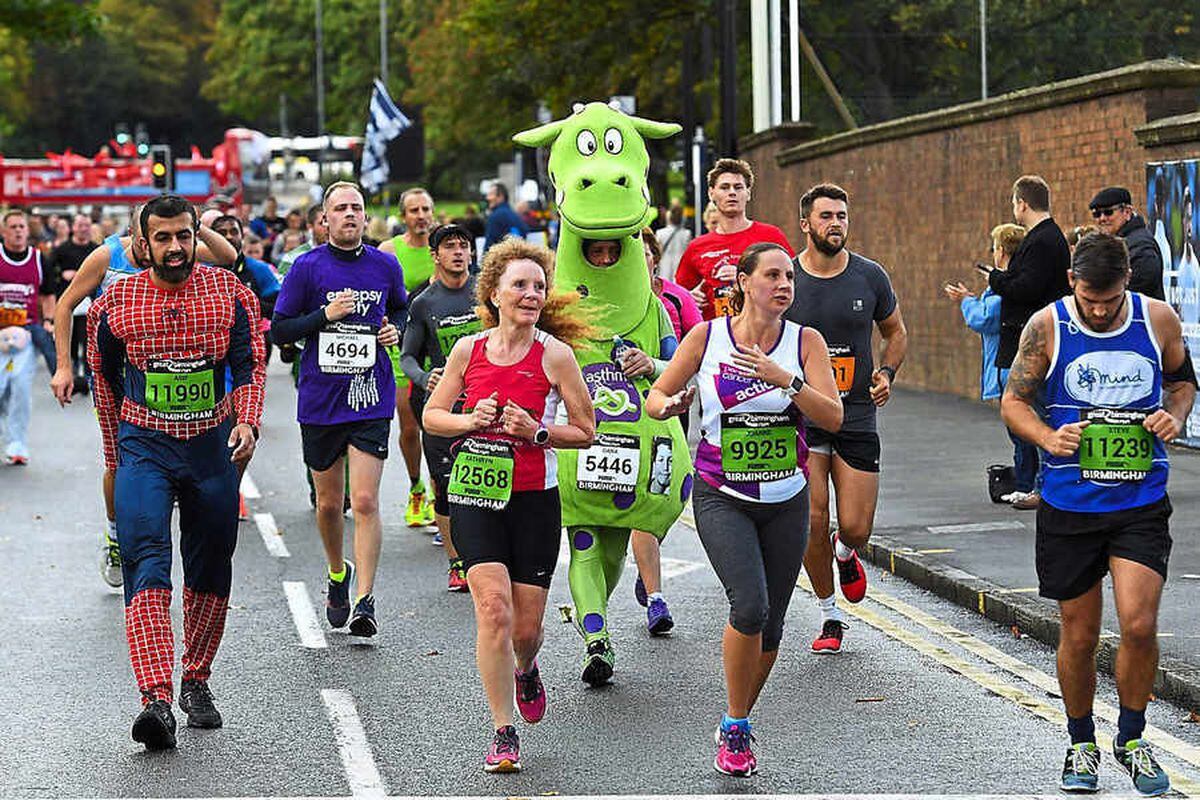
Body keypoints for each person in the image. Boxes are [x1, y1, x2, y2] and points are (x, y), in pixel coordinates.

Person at [1000, 231, 1196, 795]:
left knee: (1138, 624)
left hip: (1139, 501)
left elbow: (1183, 382)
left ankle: (1132, 738)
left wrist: (1174, 415)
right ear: (1072, 283)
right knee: (1080, 635)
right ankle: (1081, 742)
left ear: (1126, 284)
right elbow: (1013, 400)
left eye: (1110, 300)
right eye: (1091, 299)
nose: (1101, 310)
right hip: (1070, 504)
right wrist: (1046, 436)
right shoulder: (1048, 326)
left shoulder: (1156, 321)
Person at [648, 242, 842, 777]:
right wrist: (672, 403)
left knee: (773, 628)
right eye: (773, 275)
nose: (784, 285)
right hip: (721, 494)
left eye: (790, 278)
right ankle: (736, 726)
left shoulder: (806, 342)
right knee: (750, 607)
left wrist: (786, 380)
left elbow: (833, 416)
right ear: (745, 282)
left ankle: (738, 717)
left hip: (786, 497)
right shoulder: (707, 338)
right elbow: (656, 398)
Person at [87, 193, 267, 750]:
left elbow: (249, 364)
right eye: (161, 238)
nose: (173, 248)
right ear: (142, 243)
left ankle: (196, 680)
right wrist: (116, 455)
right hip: (145, 447)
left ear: (196, 237)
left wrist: (249, 423)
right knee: (146, 562)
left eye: (183, 236)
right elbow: (105, 379)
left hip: (212, 448)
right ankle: (155, 700)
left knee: (211, 565)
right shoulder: (114, 303)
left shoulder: (228, 293)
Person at [422, 238, 594, 773]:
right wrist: (471, 421)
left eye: (538, 286)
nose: (531, 293)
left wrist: (537, 431)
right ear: (493, 292)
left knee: (526, 628)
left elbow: (586, 431)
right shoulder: (466, 351)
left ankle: (526, 666)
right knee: (493, 610)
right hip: (476, 494)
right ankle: (502, 730)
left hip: (533, 501)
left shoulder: (555, 355)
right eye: (519, 285)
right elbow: (433, 416)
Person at [271, 181, 407, 638]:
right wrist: (324, 318)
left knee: (365, 500)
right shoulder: (307, 268)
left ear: (366, 218)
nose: (350, 215)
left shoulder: (385, 265)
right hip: (320, 398)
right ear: (324, 220)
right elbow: (280, 330)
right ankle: (337, 572)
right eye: (340, 209)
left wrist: (393, 332)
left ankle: (366, 599)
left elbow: (401, 312)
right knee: (330, 504)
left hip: (370, 395)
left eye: (357, 208)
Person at [784, 183, 908, 654]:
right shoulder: (788, 280)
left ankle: (846, 551)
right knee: (813, 519)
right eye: (826, 217)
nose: (835, 224)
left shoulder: (869, 277)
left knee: (854, 525)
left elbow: (896, 332)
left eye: (841, 216)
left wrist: (887, 372)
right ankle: (829, 614)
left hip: (856, 412)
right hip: (802, 415)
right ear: (806, 224)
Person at [400, 223, 481, 591]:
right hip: (442, 405)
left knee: (487, 476)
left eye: (464, 246)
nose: (459, 252)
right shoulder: (424, 303)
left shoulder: (487, 292)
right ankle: (456, 561)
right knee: (447, 485)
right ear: (436, 255)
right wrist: (423, 379)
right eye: (450, 247)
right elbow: (407, 358)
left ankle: (488, 551)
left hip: (486, 400)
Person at [630, 228, 703, 632]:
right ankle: (656, 596)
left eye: (643, 254)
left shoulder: (674, 298)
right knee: (643, 498)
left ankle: (649, 557)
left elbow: (690, 354)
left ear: (655, 258)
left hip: (669, 410)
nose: (637, 261)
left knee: (669, 494)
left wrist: (660, 369)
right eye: (629, 254)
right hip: (619, 418)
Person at [946, 224, 1031, 500]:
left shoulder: (1007, 287)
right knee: (1019, 433)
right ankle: (1025, 481)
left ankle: (1025, 484)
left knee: (1021, 433)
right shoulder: (1007, 284)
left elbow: (984, 319)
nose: (993, 253)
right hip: (1005, 367)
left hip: (1006, 369)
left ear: (1003, 251)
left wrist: (966, 301)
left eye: (995, 248)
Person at [380, 188, 439, 528]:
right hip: (403, 350)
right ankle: (417, 486)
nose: (420, 215)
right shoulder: (390, 251)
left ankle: (438, 491)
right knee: (409, 427)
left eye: (425, 209)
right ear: (404, 217)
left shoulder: (443, 249)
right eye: (414, 210)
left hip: (439, 351)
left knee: (439, 425)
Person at [675, 159, 793, 320]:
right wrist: (689, 298)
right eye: (724, 187)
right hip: (716, 336)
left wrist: (745, 278)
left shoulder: (771, 236)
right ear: (711, 193)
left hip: (764, 330)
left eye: (738, 187)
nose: (732, 193)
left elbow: (794, 282)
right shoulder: (697, 246)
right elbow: (676, 295)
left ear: (748, 193)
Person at [1, 209, 57, 377]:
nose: (17, 230)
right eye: (13, 227)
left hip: (28, 323)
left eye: (21, 226)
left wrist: (48, 321)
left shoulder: (39, 258)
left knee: (49, 344)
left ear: (27, 230)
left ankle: (63, 379)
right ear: (4, 232)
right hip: (1, 322)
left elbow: (48, 295)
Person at [46, 214, 98, 386]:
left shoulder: (97, 250)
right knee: (72, 341)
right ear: (73, 228)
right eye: (80, 225)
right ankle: (72, 375)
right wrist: (62, 275)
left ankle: (90, 378)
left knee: (89, 340)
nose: (83, 228)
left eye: (86, 225)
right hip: (68, 302)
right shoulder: (62, 249)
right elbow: (48, 272)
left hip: (91, 303)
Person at [1088, 186, 1165, 301]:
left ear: (1127, 212)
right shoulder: (1114, 243)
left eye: (1108, 212)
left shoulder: (1141, 245)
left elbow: (1142, 286)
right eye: (1097, 214)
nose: (1102, 218)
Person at [483, 182, 528, 253]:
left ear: (501, 196)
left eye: (491, 194)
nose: (487, 198)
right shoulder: (516, 216)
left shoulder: (495, 216)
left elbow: (489, 246)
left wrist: (483, 262)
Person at [654, 203, 692, 281]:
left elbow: (658, 252)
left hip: (664, 267)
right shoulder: (687, 234)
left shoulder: (660, 233)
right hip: (680, 267)